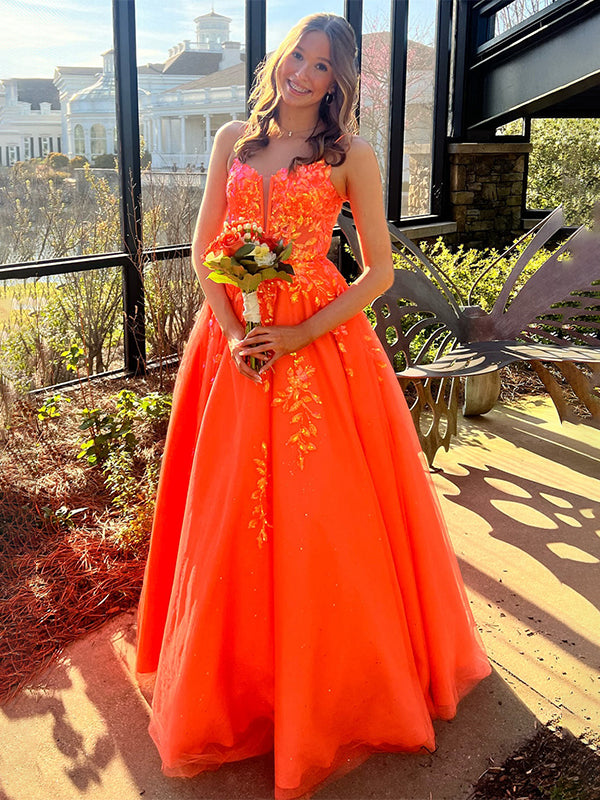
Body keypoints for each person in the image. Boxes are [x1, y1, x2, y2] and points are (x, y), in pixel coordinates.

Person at [136, 12, 491, 800]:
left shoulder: (350, 156)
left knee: (322, 511)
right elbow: (205, 251)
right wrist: (232, 330)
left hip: (318, 348)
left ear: (337, 82)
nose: (302, 72)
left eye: (322, 65)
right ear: (282, 58)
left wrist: (295, 341)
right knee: (228, 511)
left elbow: (376, 276)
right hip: (232, 345)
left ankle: (329, 684)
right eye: (298, 55)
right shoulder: (233, 137)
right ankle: (236, 685)